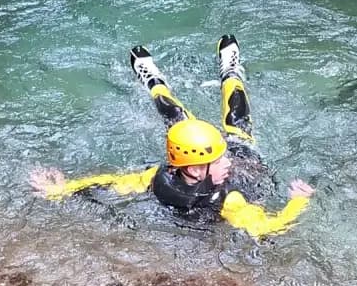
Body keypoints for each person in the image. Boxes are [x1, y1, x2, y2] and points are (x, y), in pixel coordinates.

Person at [29, 35, 315, 239]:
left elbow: (110, 181)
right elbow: (269, 227)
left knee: (177, 116)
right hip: (244, 159)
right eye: (218, 159)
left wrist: (64, 189)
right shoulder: (222, 198)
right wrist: (299, 200)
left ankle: (214, 73)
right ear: (192, 168)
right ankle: (219, 74)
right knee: (233, 121)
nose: (226, 159)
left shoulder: (178, 181)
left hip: (240, 157)